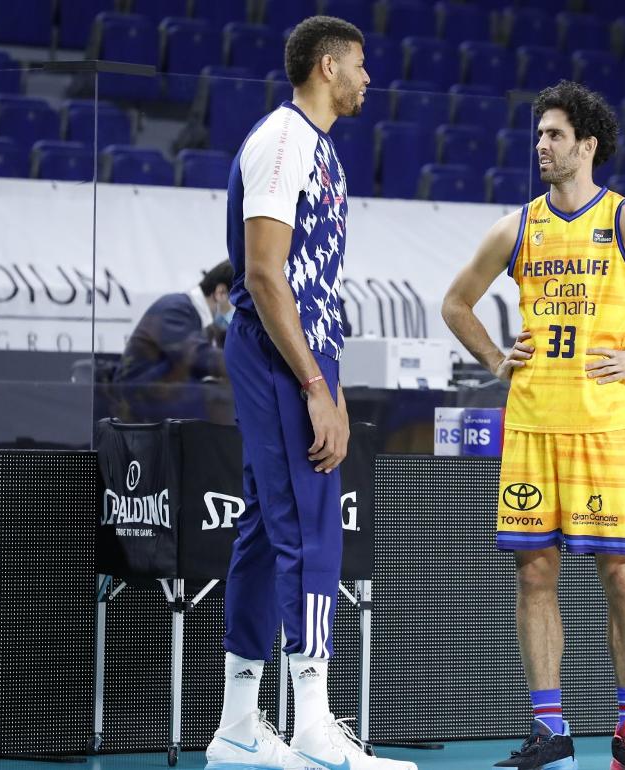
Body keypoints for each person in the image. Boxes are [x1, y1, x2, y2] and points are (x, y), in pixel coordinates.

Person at [441, 80, 625, 770]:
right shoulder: (516, 227)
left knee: (623, 579)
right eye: (539, 134)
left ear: (588, 145)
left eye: (554, 135)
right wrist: (494, 357)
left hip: (603, 428)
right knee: (534, 576)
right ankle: (551, 731)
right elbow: (456, 304)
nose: (541, 146)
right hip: (534, 423)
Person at [204, 16, 414, 770]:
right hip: (278, 356)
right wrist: (317, 385)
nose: (368, 79)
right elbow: (263, 275)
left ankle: (236, 726)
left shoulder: (318, 150)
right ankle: (316, 726)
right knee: (311, 526)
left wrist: (328, 377)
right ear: (327, 67)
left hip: (301, 356)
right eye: (360, 66)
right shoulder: (284, 141)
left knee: (266, 530)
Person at [112, 262, 232, 420]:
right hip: (138, 409)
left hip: (162, 405)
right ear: (221, 293)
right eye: (240, 300)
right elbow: (197, 356)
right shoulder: (175, 308)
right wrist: (243, 366)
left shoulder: (203, 322)